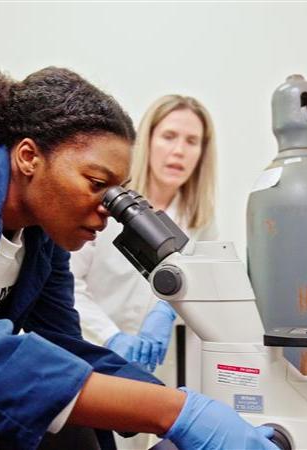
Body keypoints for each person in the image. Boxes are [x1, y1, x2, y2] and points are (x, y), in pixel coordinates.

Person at [0, 63, 278, 450]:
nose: (108, 206)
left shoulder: (41, 237)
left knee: (64, 427)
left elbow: (65, 351)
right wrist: (172, 412)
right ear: (28, 157)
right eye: (96, 184)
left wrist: (194, 416)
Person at [71, 95, 216, 385]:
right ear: (147, 141)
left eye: (191, 141)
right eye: (169, 136)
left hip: (157, 371)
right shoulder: (104, 204)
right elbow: (68, 285)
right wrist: (109, 336)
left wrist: (167, 310)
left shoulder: (201, 222)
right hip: (88, 355)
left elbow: (206, 289)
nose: (179, 151)